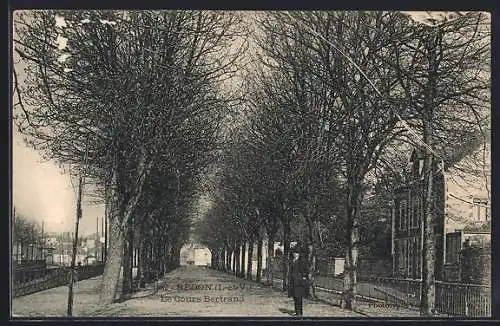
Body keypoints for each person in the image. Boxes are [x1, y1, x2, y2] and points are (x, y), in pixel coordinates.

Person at [289, 245, 309, 316]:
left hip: (299, 282)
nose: (295, 254)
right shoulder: (292, 261)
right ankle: (296, 311)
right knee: (294, 296)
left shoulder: (301, 261)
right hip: (293, 281)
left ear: (299, 254)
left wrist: (304, 277)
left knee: (299, 297)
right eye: (294, 253)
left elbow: (305, 269)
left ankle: (300, 312)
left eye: (296, 253)